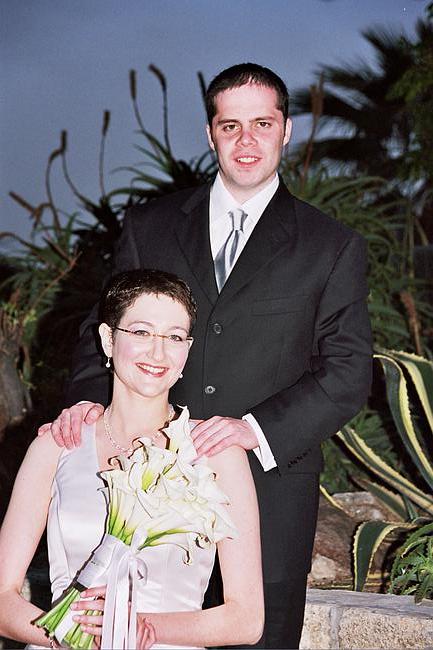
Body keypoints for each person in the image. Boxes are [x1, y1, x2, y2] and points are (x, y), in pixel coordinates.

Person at [40, 63, 372, 648]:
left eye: (262, 124)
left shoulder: (332, 245)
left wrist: (253, 431)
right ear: (210, 132)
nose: (247, 141)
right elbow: (103, 328)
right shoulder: (150, 225)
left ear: (287, 130)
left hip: (270, 497)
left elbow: (347, 373)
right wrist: (89, 405)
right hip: (137, 490)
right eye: (230, 125)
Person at [0, 269, 263, 649]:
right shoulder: (57, 445)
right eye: (141, 332)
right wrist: (66, 637)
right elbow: (3, 597)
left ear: (187, 349)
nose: (158, 353)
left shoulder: (216, 453)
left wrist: (140, 628)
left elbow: (246, 619)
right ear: (108, 339)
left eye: (174, 337)